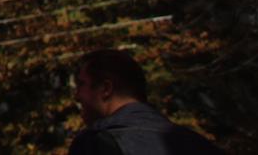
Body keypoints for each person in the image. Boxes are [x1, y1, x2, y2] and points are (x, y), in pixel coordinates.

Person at [68, 48, 227, 154]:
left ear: (106, 89)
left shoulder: (98, 145)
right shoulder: (198, 145)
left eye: (82, 84)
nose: (77, 96)